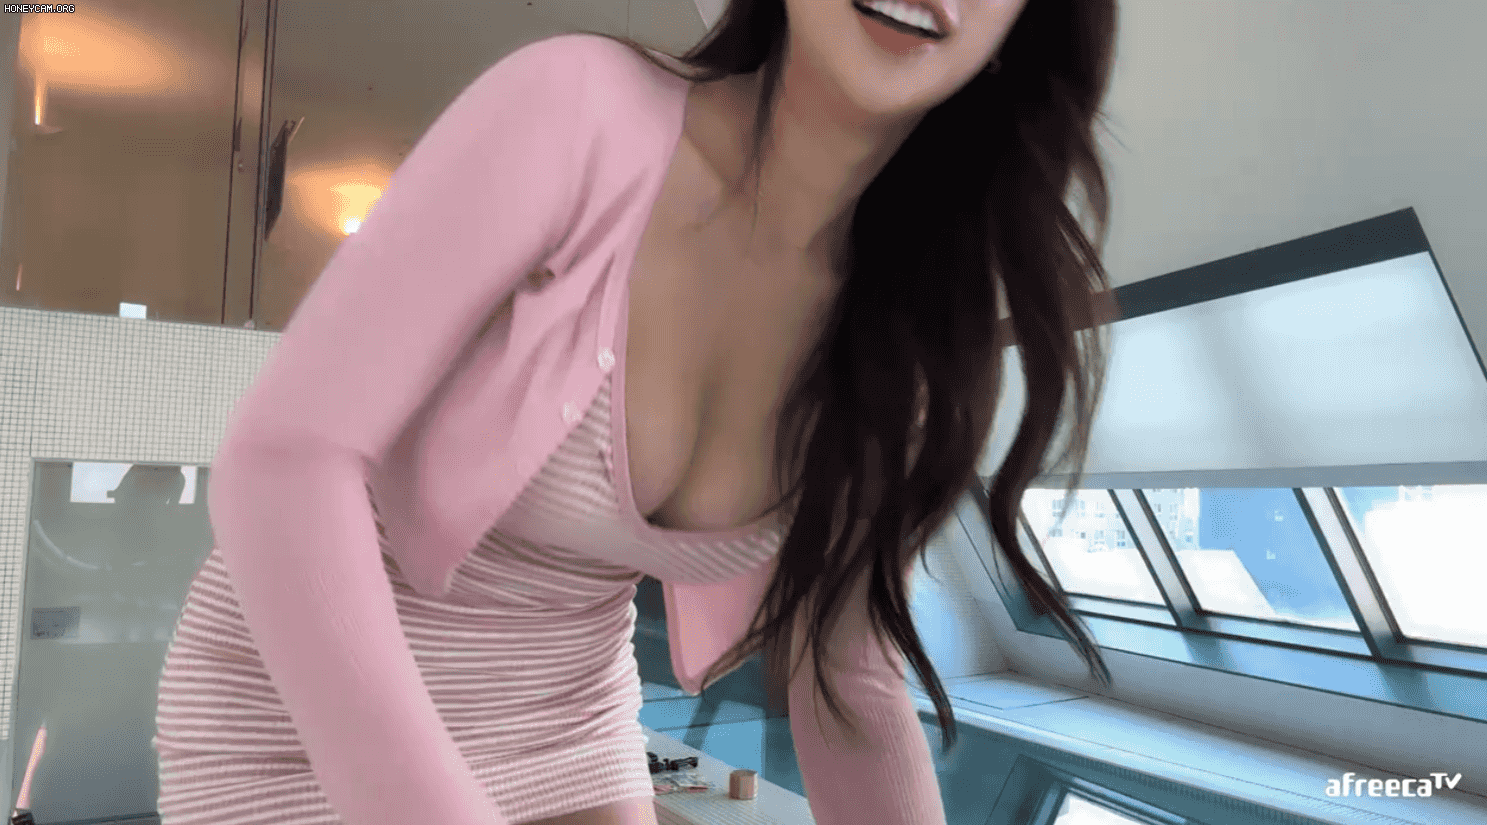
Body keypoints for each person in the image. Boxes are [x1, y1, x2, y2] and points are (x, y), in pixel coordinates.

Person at [152, 0, 1120, 823]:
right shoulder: (574, 110)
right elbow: (285, 461)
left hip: (569, 731)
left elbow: (848, 679)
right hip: (296, 724)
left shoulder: (903, 338)